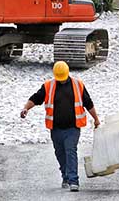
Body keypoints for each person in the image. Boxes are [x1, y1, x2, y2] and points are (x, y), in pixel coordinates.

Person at [21, 61, 100, 191]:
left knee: (70, 151)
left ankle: (74, 181)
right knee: (60, 154)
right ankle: (66, 176)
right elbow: (36, 98)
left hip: (72, 128)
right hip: (55, 128)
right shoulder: (48, 86)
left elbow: (88, 103)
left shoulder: (77, 85)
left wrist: (96, 119)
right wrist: (26, 108)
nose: (62, 81)